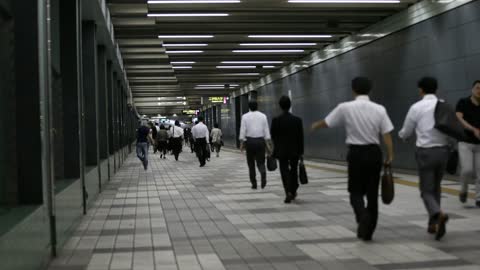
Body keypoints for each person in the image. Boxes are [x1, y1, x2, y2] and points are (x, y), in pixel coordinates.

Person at [311, 77, 394, 241]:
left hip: (356, 154)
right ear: (370, 90)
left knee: (355, 191)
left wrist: (315, 125)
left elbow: (327, 122)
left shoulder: (345, 107)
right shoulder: (379, 109)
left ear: (353, 90)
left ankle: (362, 216)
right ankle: (368, 231)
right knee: (372, 194)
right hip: (374, 153)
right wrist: (390, 155)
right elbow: (386, 134)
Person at [399, 76, 450, 240]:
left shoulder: (416, 107)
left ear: (421, 90)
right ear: (436, 89)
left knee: (426, 191)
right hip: (443, 152)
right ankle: (433, 224)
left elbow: (406, 131)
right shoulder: (444, 105)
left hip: (425, 153)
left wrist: (403, 136)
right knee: (436, 187)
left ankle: (438, 214)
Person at [271, 96, 304, 203]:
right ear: (290, 105)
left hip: (281, 151)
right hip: (295, 151)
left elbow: (273, 136)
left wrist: (274, 149)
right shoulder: (297, 120)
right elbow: (300, 137)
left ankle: (288, 192)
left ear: (280, 106)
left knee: (284, 171)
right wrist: (301, 152)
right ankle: (293, 190)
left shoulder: (276, 120)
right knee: (294, 170)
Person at [456, 80, 480, 206]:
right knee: (467, 170)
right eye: (477, 88)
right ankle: (463, 190)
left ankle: (478, 198)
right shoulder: (463, 102)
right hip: (465, 142)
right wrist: (473, 129)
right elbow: (459, 118)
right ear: (472, 89)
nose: (479, 90)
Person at [239, 100, 272, 190]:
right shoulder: (263, 116)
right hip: (260, 142)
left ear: (249, 107)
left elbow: (243, 130)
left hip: (249, 142)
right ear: (257, 106)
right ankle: (263, 173)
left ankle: (254, 183)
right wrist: (268, 145)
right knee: (261, 162)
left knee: (251, 164)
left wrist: (242, 143)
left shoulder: (245, 117)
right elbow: (266, 131)